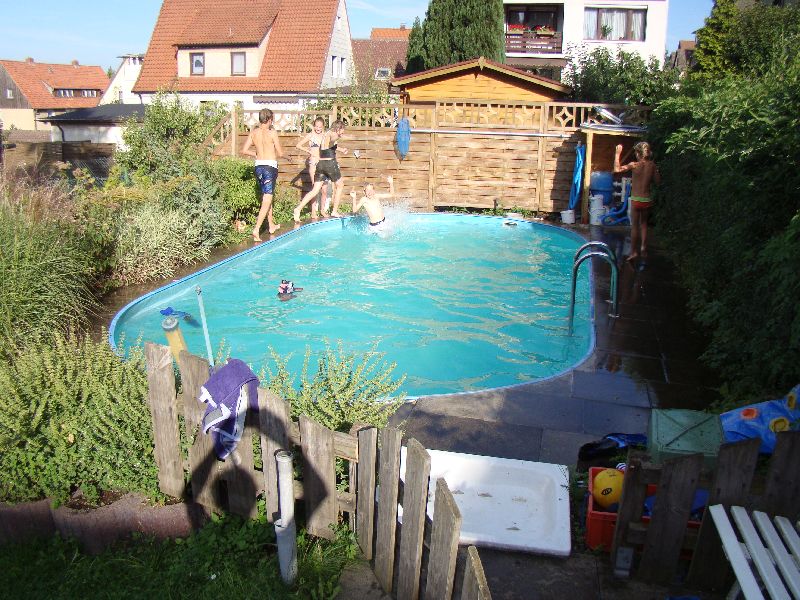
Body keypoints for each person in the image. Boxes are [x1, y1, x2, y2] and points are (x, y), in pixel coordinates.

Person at [293, 120, 349, 223]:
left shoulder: (325, 134)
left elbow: (330, 144)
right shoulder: (332, 133)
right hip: (329, 163)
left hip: (320, 164)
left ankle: (298, 209)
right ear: (338, 128)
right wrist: (339, 135)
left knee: (315, 190)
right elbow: (334, 138)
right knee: (340, 185)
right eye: (342, 129)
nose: (343, 132)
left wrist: (341, 149)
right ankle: (334, 211)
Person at [614, 142, 660, 263]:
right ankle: (643, 247)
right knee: (644, 224)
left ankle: (634, 252)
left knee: (635, 226)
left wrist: (617, 154)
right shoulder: (652, 165)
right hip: (646, 199)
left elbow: (617, 169)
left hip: (636, 200)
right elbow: (658, 181)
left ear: (638, 154)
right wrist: (655, 171)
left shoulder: (634, 165)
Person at [242, 108, 284, 241]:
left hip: (258, 167)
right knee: (267, 198)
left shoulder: (254, 132)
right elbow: (280, 152)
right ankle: (256, 229)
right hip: (269, 167)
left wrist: (256, 154)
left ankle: (271, 225)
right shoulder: (272, 132)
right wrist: (287, 157)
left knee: (267, 196)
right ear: (270, 119)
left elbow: (244, 150)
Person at [295, 117, 329, 218]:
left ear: (323, 127)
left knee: (324, 190)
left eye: (320, 127)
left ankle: (322, 210)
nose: (318, 128)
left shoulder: (325, 136)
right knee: (315, 189)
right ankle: (313, 211)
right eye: (316, 126)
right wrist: (308, 151)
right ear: (314, 126)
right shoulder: (311, 135)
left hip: (323, 164)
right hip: (313, 164)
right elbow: (298, 145)